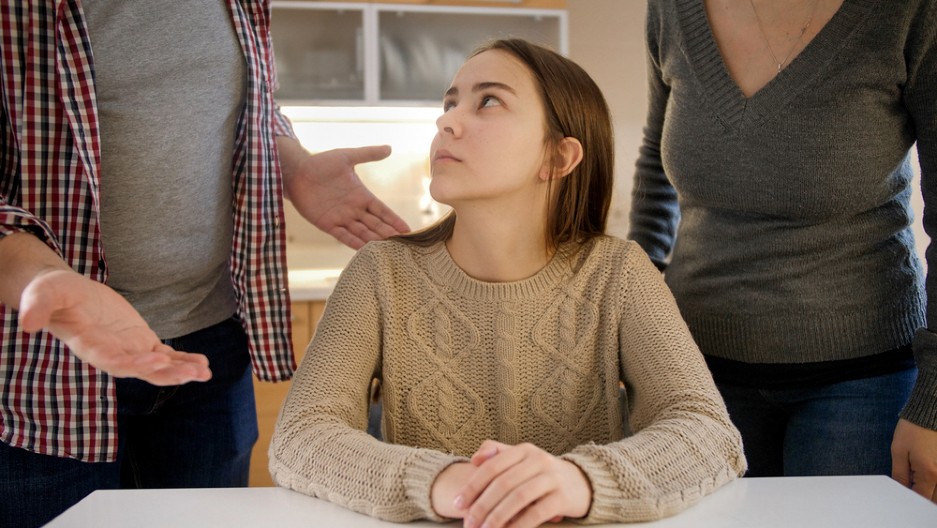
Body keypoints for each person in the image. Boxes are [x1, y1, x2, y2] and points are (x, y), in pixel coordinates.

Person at [269, 38, 746, 527]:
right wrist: (444, 482)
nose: (446, 122)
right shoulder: (379, 273)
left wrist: (579, 481)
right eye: (450, 103)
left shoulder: (619, 273)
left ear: (558, 157)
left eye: (488, 101)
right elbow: (301, 436)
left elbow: (708, 431)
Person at [0, 1, 408, 526]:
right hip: (40, 361)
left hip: (212, 348)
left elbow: (245, 106)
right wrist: (38, 273)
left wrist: (292, 164)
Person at [628, 0, 937, 501]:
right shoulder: (671, 9)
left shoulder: (907, 11)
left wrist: (934, 402)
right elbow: (654, 161)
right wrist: (629, 319)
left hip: (863, 381)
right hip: (696, 377)